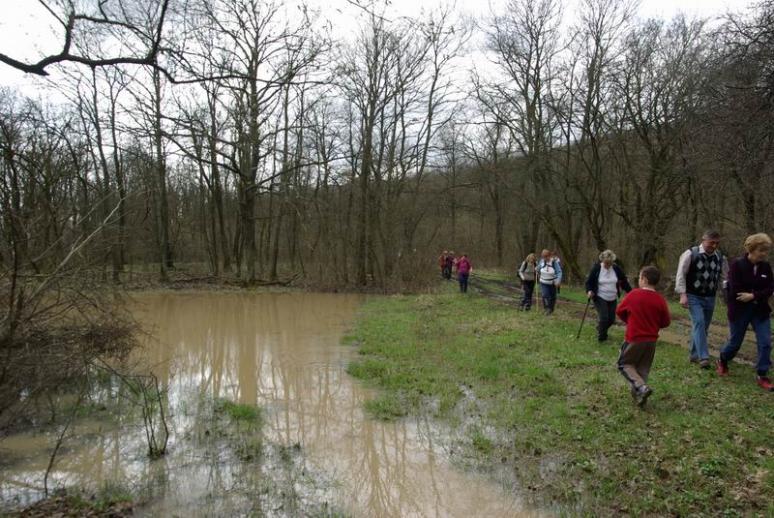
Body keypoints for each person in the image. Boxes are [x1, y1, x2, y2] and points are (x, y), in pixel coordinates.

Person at [716, 233, 774, 391]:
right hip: (739, 310)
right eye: (761, 250)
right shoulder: (737, 265)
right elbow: (735, 289)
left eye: (766, 250)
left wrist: (754, 295)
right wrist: (752, 294)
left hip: (760, 310)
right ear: (752, 248)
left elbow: (770, 288)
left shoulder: (766, 267)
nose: (764, 253)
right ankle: (722, 359)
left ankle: (762, 374)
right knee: (735, 343)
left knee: (766, 343)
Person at [616, 266, 672, 407]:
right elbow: (666, 322)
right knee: (642, 369)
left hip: (634, 338)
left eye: (640, 277)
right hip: (651, 341)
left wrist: (630, 321)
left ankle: (641, 387)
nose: (639, 280)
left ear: (644, 279)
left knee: (624, 364)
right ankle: (640, 397)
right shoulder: (660, 300)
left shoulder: (634, 294)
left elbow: (620, 310)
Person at [675, 230, 728, 368]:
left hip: (710, 296)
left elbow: (724, 278)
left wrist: (727, 294)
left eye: (717, 243)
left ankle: (694, 355)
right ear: (704, 240)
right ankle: (703, 357)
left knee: (703, 327)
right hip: (693, 295)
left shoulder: (720, 257)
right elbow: (681, 274)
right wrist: (682, 294)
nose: (714, 246)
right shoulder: (691, 254)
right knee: (699, 322)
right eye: (712, 242)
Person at [585, 250, 633, 342]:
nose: (608, 265)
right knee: (604, 318)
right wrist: (589, 291)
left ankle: (600, 329)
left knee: (611, 319)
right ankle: (602, 338)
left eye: (610, 263)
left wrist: (631, 292)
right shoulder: (597, 268)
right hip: (599, 296)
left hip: (612, 297)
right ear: (602, 260)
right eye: (606, 263)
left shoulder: (616, 269)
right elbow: (589, 282)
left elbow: (624, 281)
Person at [537, 249, 562, 315]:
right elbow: (538, 269)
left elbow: (559, 272)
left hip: (552, 283)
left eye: (546, 256)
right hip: (543, 282)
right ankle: (547, 308)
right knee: (545, 295)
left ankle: (551, 308)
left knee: (552, 297)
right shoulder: (541, 261)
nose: (545, 258)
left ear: (549, 256)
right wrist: (536, 269)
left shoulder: (554, 262)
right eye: (543, 256)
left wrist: (558, 281)